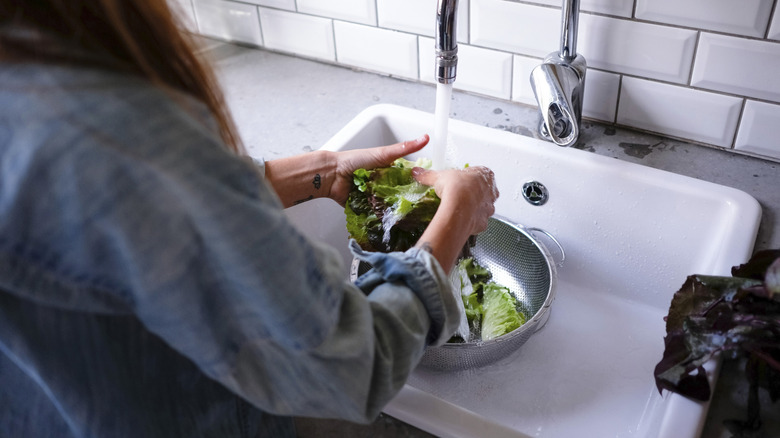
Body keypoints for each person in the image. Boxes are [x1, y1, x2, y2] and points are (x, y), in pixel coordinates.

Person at [0, 1, 499, 437]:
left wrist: (322, 170)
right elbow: (353, 366)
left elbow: (129, 211)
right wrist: (458, 212)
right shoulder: (117, 127)